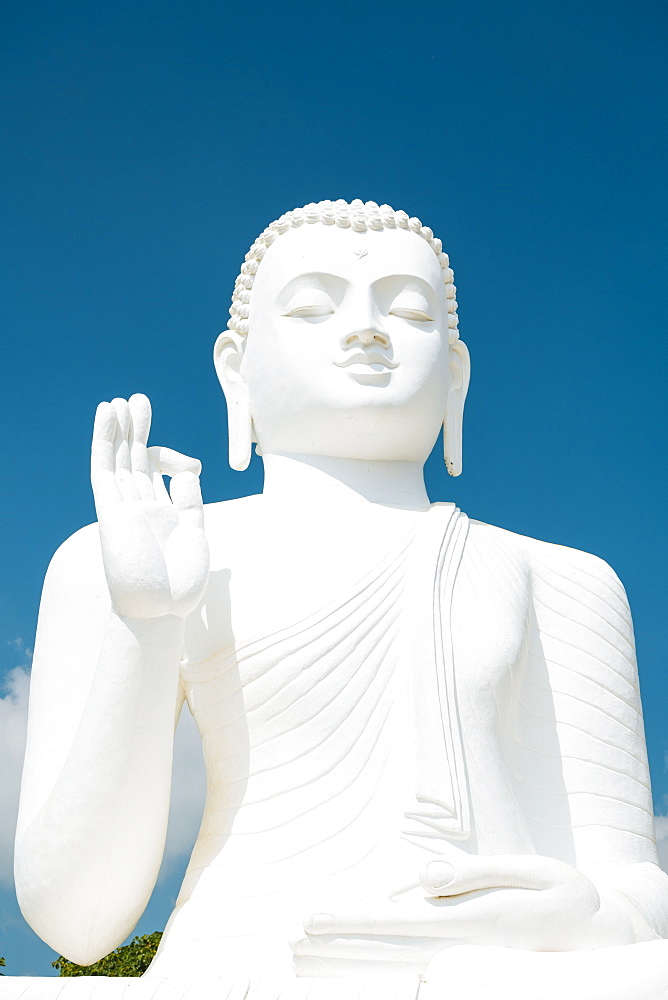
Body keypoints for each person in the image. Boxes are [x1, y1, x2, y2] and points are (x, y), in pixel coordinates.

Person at [10, 200, 668, 999]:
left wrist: (579, 917)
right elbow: (76, 924)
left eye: (410, 310)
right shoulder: (122, 560)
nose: (367, 331)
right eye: (314, 308)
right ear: (235, 368)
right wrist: (145, 626)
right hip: (235, 973)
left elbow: (638, 894)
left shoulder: (563, 578)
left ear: (456, 374)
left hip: (492, 975)